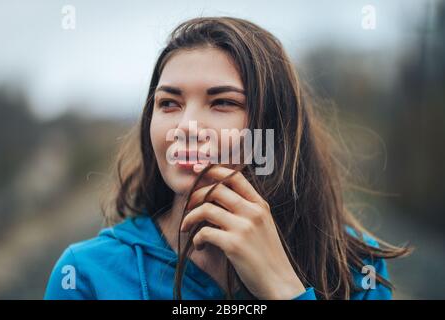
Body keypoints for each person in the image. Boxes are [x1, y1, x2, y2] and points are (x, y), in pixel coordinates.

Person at [44, 17, 409, 300]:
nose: (186, 127)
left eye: (223, 103)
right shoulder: (85, 273)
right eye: (169, 103)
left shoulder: (356, 264)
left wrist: (284, 288)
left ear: (274, 126)